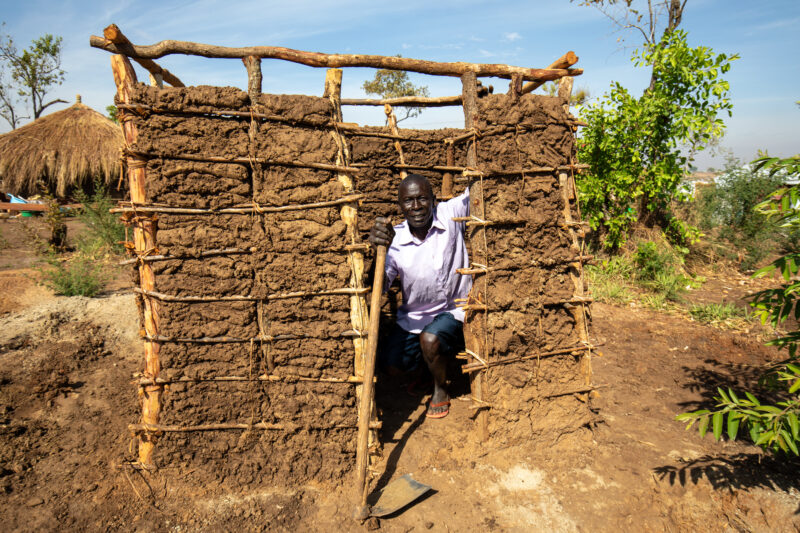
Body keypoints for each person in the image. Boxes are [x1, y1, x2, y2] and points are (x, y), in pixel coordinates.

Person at [368, 173, 471, 419]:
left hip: (453, 310)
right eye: (409, 201)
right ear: (400, 206)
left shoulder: (450, 215)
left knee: (430, 339)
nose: (416, 207)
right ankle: (428, 369)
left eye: (423, 199)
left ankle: (441, 388)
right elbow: (378, 287)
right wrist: (376, 252)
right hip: (414, 318)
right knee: (391, 366)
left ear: (434, 200)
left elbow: (478, 189)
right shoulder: (395, 241)